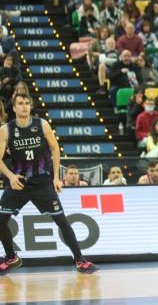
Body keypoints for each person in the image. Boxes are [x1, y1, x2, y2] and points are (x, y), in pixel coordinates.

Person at [0, 93, 98, 274]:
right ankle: (11, 257)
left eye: (27, 103)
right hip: (19, 183)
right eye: (20, 104)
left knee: (61, 221)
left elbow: (54, 148)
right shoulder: (6, 129)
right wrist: (11, 176)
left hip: (42, 182)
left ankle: (80, 260)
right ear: (13, 107)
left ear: (31, 106)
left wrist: (55, 177)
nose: (24, 106)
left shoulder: (42, 124)